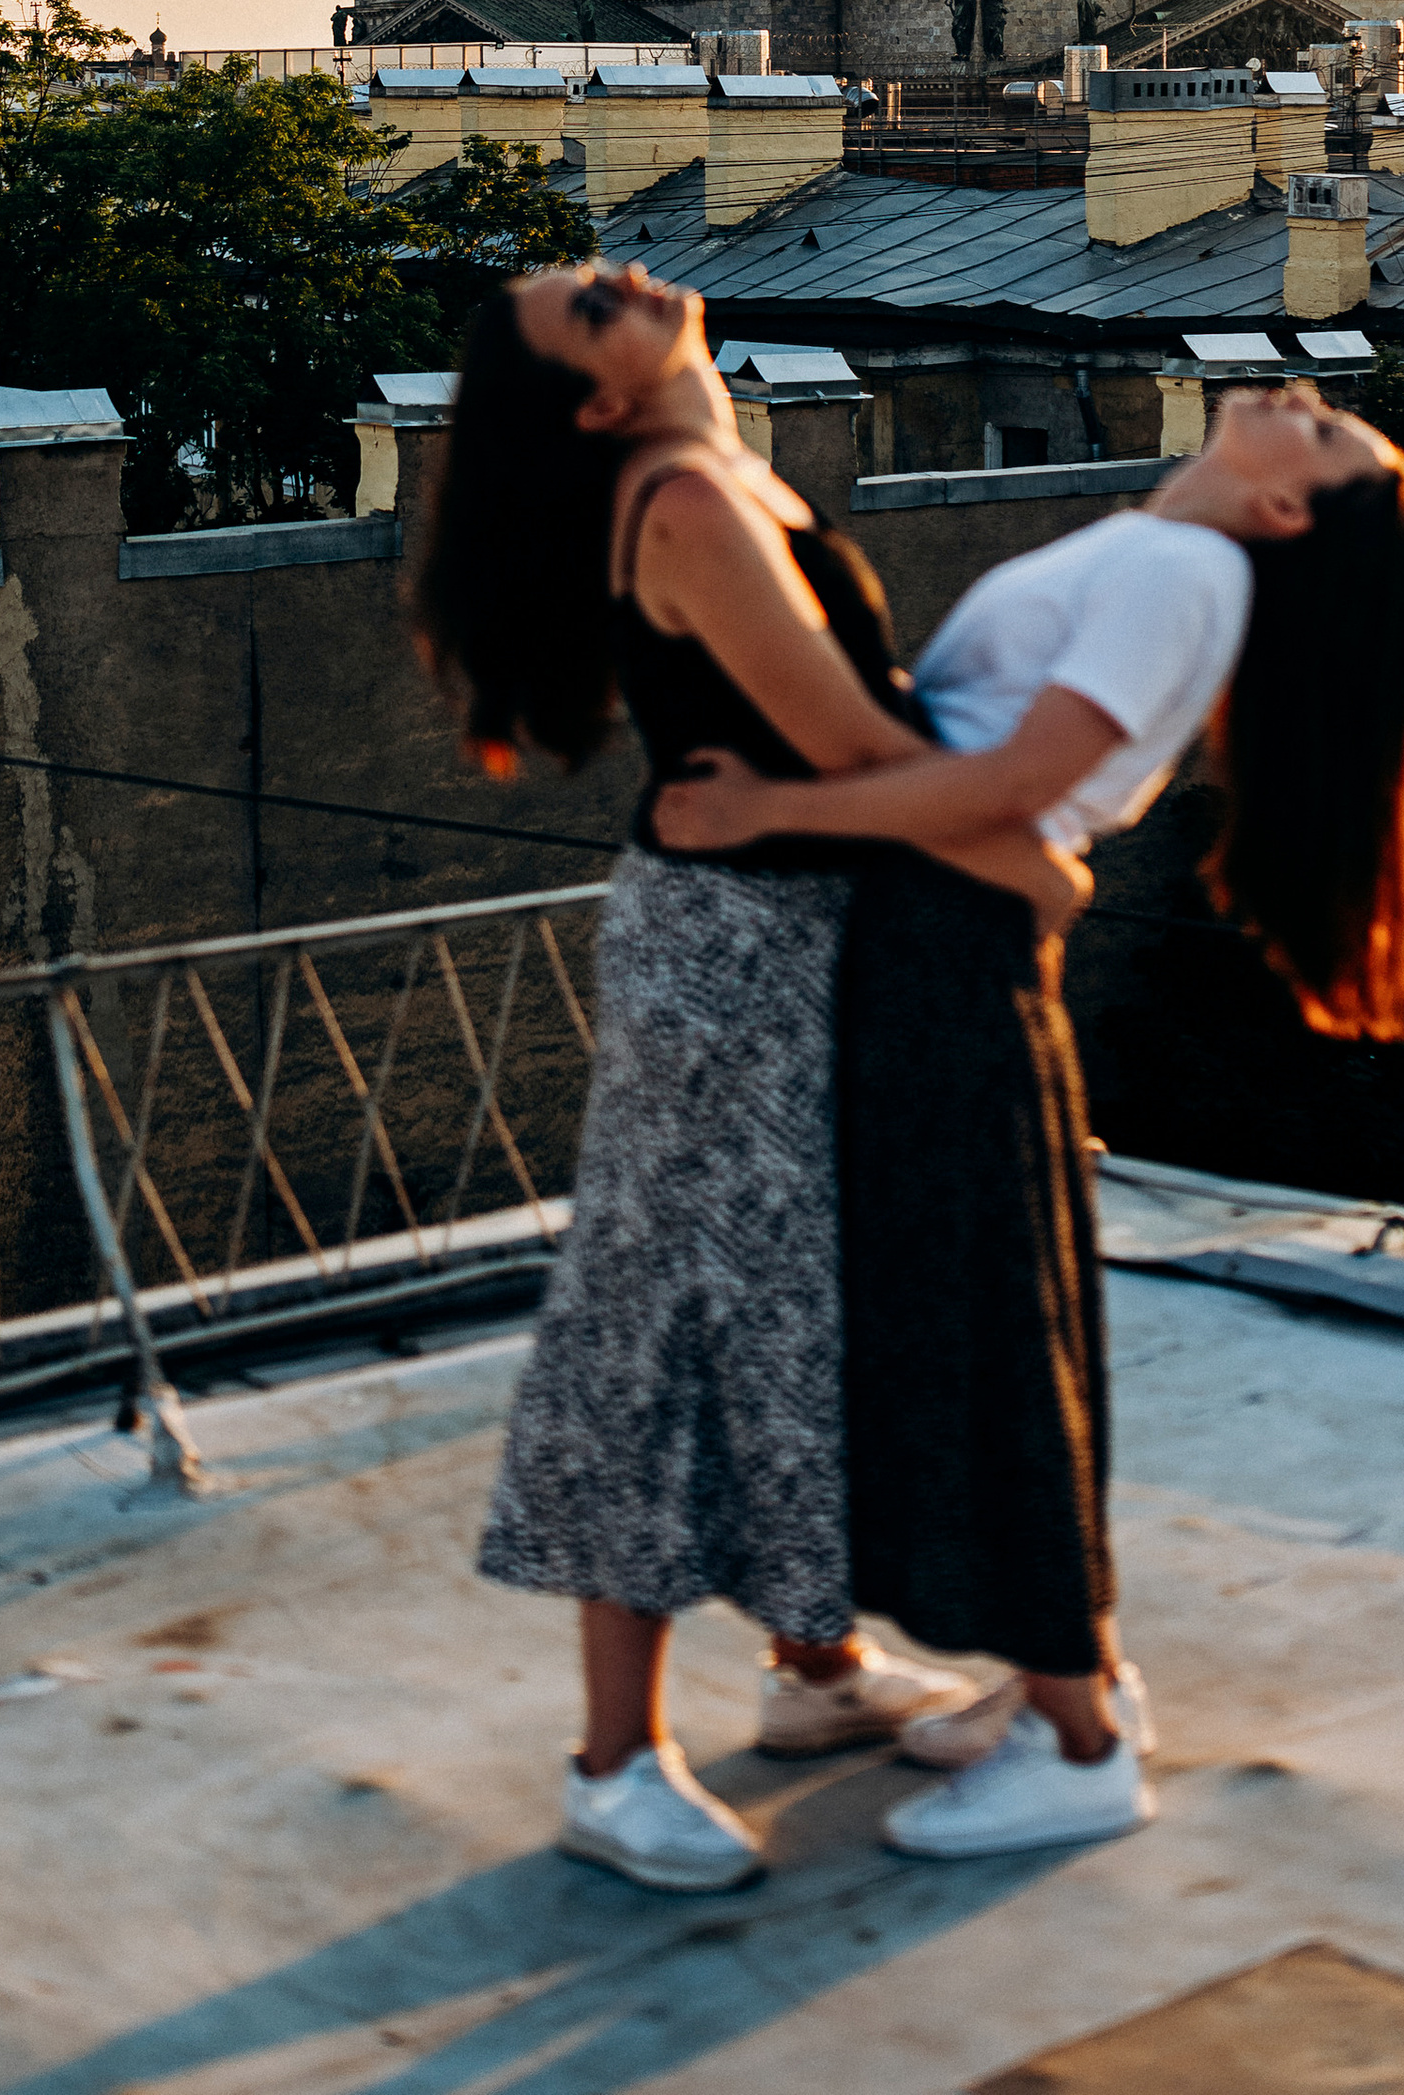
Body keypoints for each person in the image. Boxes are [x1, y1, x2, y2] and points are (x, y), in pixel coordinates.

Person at [654, 384, 1404, 1860]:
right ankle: (1055, 1689)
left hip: (937, 942)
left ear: (1288, 506)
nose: (1307, 399)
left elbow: (1025, 783)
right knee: (986, 1313)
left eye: (1331, 434)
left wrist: (766, 810)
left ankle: (1081, 1742)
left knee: (984, 1329)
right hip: (944, 928)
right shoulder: (1161, 556)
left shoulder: (1180, 568)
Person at [414, 261, 1074, 1895]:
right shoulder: (688, 501)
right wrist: (1014, 839)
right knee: (664, 1317)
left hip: (798, 926)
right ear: (598, 399)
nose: (618, 277)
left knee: (797, 1297)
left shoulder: (711, 469)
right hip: (730, 948)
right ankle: (611, 1764)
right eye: (591, 308)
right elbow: (843, 737)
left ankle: (816, 1669)